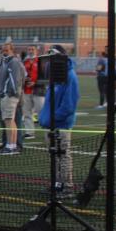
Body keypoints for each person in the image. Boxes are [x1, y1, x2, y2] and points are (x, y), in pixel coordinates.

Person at [39, 45, 80, 198]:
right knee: (54, 157)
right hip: (50, 124)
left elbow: (69, 105)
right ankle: (56, 184)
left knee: (63, 155)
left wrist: (54, 118)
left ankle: (67, 186)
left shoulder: (70, 76)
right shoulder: (54, 76)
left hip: (60, 125)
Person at [0, 42, 26, 155]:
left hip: (9, 96)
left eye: (7, 50)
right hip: (7, 95)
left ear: (12, 50)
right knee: (10, 121)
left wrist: (10, 92)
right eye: (3, 50)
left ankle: (10, 146)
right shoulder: (6, 61)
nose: (4, 52)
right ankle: (12, 145)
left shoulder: (13, 62)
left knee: (8, 121)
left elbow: (15, 79)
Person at [22, 46, 45, 140]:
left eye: (32, 49)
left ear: (36, 51)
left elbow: (45, 78)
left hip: (38, 90)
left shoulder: (41, 61)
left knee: (42, 112)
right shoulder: (25, 62)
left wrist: (35, 83)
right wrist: (24, 80)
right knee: (27, 112)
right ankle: (29, 132)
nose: (30, 51)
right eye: (29, 49)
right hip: (26, 90)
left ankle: (48, 131)